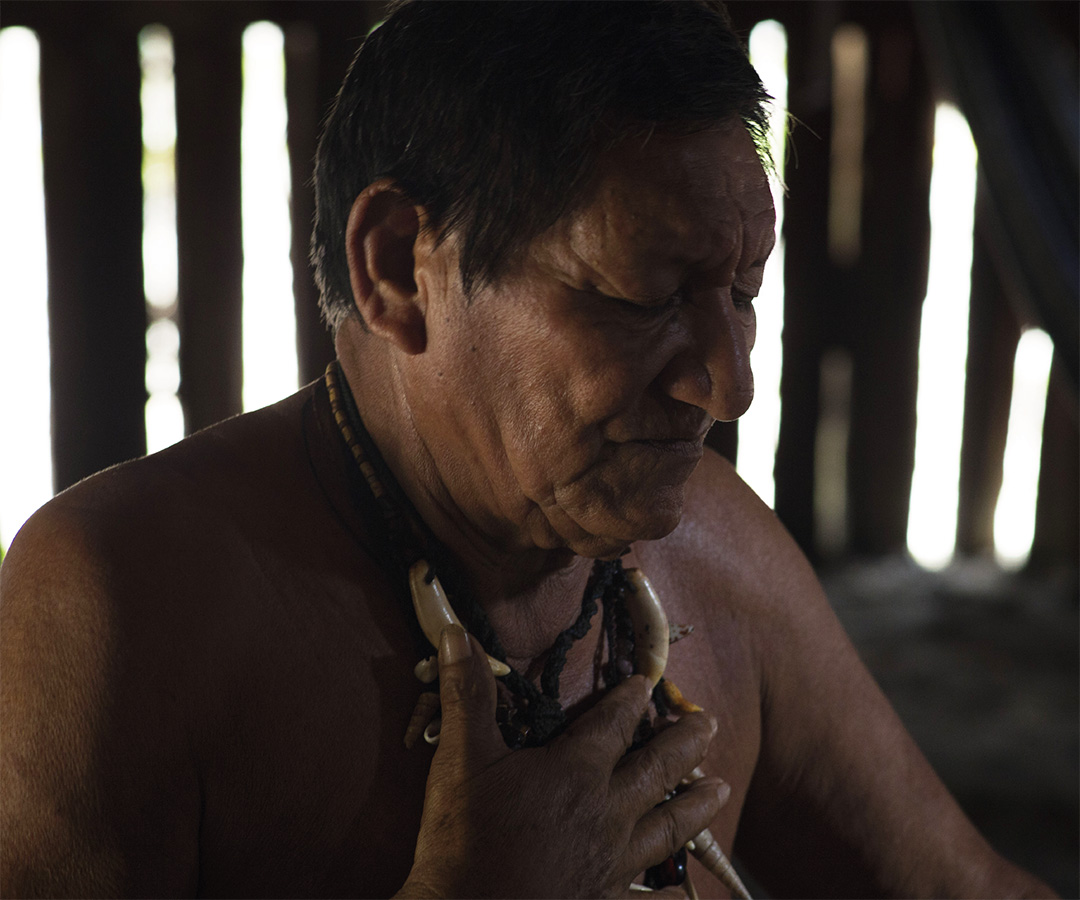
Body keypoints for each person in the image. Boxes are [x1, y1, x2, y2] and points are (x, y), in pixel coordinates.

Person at [0, 2, 1055, 897]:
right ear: (400, 270)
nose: (728, 383)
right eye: (645, 298)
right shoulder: (119, 608)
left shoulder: (718, 557)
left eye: (743, 296)